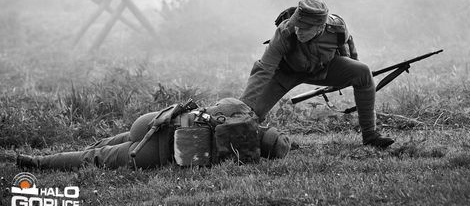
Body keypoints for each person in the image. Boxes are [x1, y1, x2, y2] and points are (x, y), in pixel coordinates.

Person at [240, 0, 394, 149]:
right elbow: (263, 69)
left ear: (320, 28)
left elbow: (348, 44)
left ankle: (370, 135)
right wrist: (243, 106)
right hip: (286, 73)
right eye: (296, 26)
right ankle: (269, 139)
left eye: (304, 28)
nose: (298, 31)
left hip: (323, 69)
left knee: (363, 72)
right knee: (251, 114)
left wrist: (350, 71)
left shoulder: (337, 28)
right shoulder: (285, 32)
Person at [15, 98, 291, 170]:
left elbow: (208, 106)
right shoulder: (242, 155)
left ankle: (44, 159)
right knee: (96, 158)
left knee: (109, 143)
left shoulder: (238, 109)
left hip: (153, 123)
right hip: (152, 154)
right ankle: (38, 162)